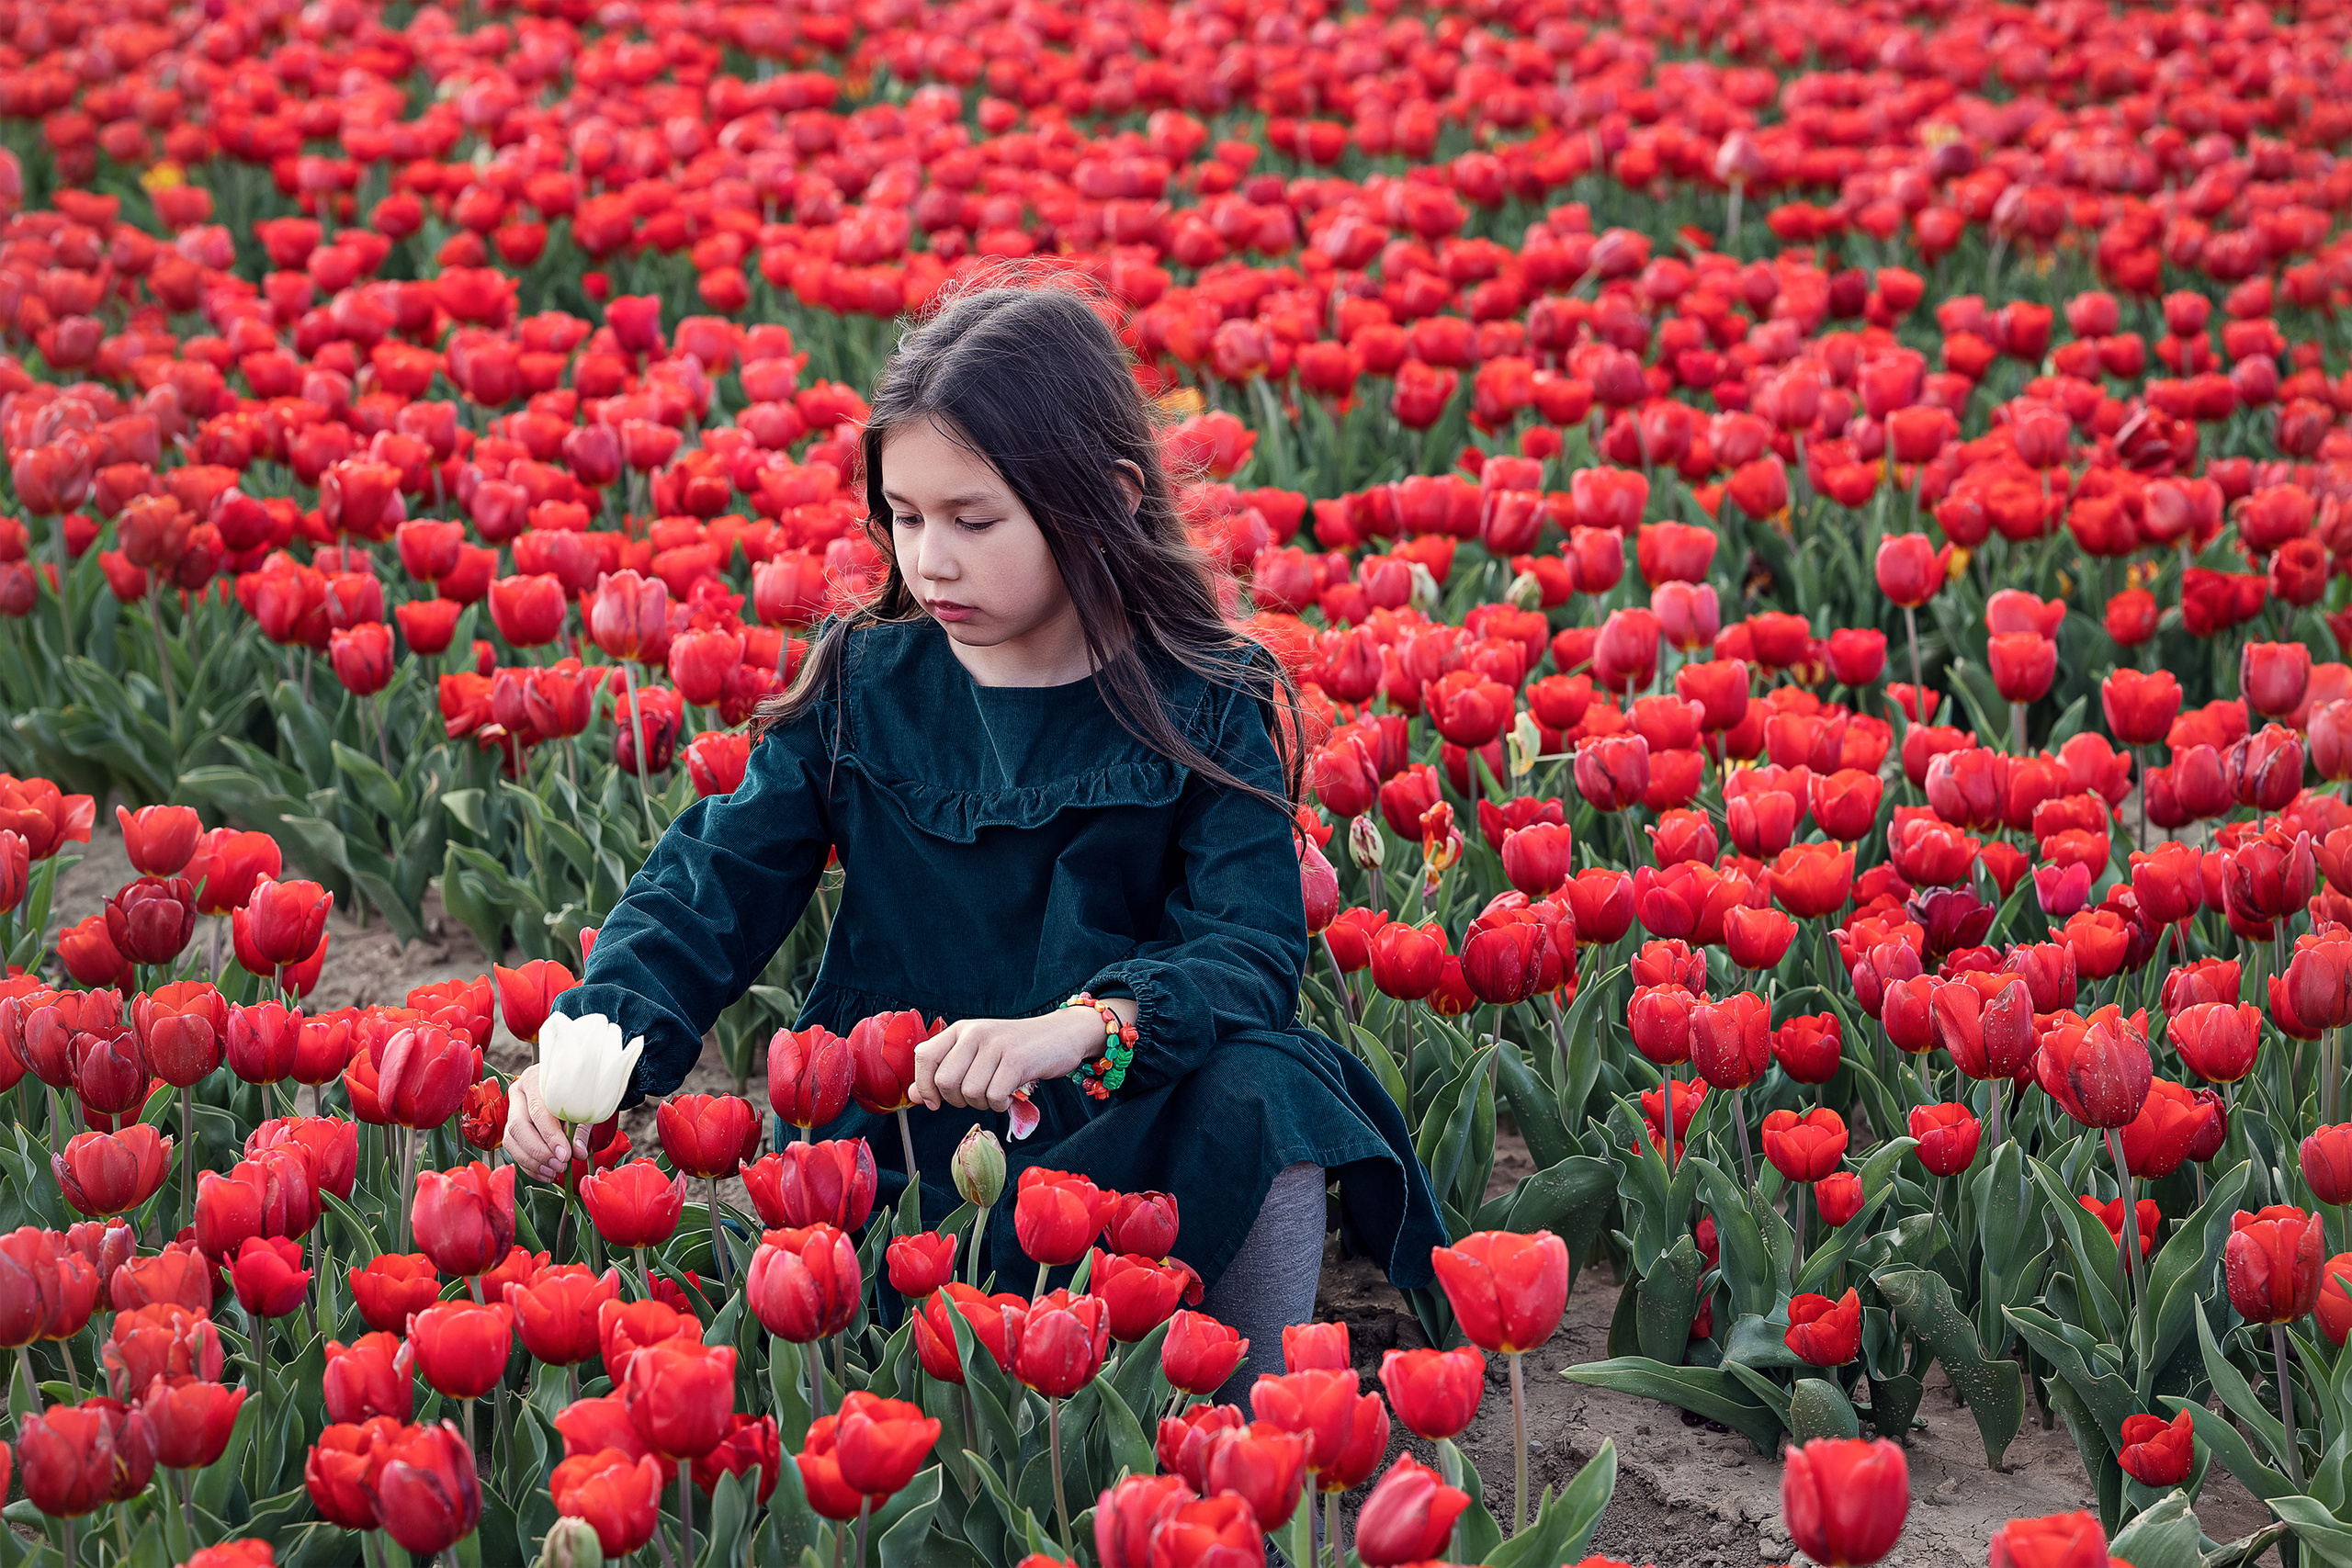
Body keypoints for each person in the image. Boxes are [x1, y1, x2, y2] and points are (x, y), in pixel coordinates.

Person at [503, 279, 1442, 1393]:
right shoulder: (869, 681)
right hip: (902, 1137)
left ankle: (1251, 1428)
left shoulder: (1202, 695)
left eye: (972, 520)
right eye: (903, 516)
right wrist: (588, 1057)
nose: (928, 560)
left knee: (1272, 1089)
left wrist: (1082, 1027)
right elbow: (714, 881)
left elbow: (1246, 950)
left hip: (1107, 1122)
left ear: (1105, 498)